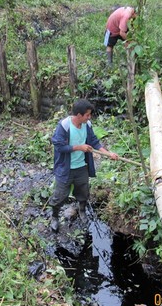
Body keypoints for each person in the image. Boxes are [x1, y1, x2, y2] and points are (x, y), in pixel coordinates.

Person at [49, 99, 118, 233]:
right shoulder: (64, 126)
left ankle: (81, 211)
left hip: (81, 167)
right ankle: (55, 216)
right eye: (87, 115)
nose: (89, 117)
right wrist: (78, 147)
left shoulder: (87, 125)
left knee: (83, 192)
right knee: (60, 195)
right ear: (79, 115)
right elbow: (58, 145)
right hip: (65, 168)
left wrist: (108, 154)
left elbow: (94, 142)